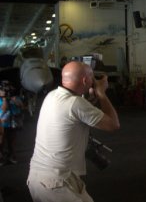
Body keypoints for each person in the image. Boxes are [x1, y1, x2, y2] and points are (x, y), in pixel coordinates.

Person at [27, 61, 120, 202]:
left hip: (39, 178)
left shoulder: (52, 96)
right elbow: (113, 124)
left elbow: (77, 112)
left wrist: (91, 99)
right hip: (56, 183)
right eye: (92, 78)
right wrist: (101, 94)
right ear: (85, 80)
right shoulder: (76, 103)